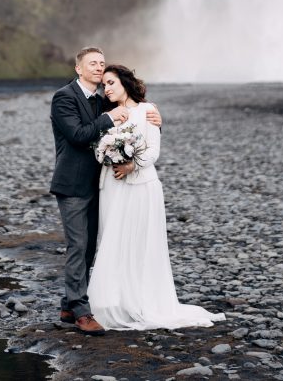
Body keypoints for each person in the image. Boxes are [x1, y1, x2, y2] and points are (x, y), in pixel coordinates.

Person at [87, 64, 224, 330]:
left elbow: (153, 151)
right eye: (104, 85)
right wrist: (106, 154)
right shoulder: (106, 114)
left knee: (139, 242)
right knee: (112, 239)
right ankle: (113, 300)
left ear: (125, 83)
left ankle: (140, 300)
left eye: (112, 82)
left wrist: (130, 165)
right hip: (111, 186)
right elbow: (97, 148)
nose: (108, 88)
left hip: (140, 185)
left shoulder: (147, 111)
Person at [49, 47, 162, 335]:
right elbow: (77, 135)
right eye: (93, 63)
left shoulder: (101, 101)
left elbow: (133, 126)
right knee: (77, 246)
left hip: (98, 185)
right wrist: (110, 119)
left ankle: (67, 305)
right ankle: (81, 312)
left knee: (88, 248)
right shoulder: (64, 97)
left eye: (101, 63)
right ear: (78, 68)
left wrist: (155, 117)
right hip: (72, 184)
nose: (99, 68)